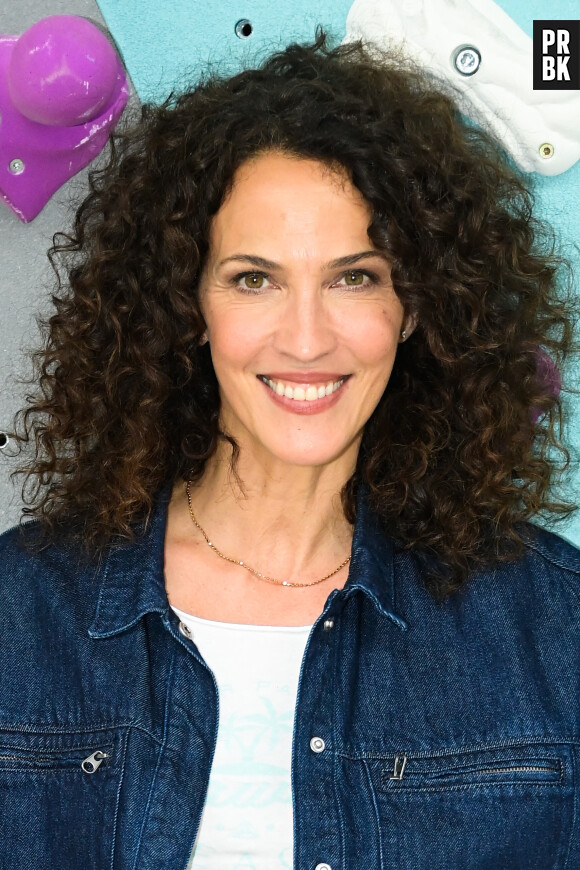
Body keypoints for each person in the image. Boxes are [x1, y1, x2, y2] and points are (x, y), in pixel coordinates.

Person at [1, 32, 579, 870]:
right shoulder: (22, 611)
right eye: (253, 278)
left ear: (414, 307)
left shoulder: (553, 628)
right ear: (188, 304)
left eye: (356, 276)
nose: (306, 338)